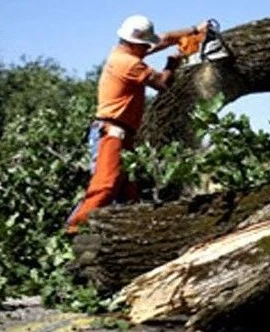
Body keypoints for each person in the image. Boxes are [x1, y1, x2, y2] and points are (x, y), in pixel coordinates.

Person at [66, 14, 209, 234]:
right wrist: (175, 60)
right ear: (136, 44)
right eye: (145, 45)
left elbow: (166, 38)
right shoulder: (128, 63)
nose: (148, 49)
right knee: (105, 184)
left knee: (128, 192)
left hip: (122, 134)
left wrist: (194, 30)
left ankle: (123, 235)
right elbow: (162, 83)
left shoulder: (124, 51)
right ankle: (74, 231)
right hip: (111, 132)